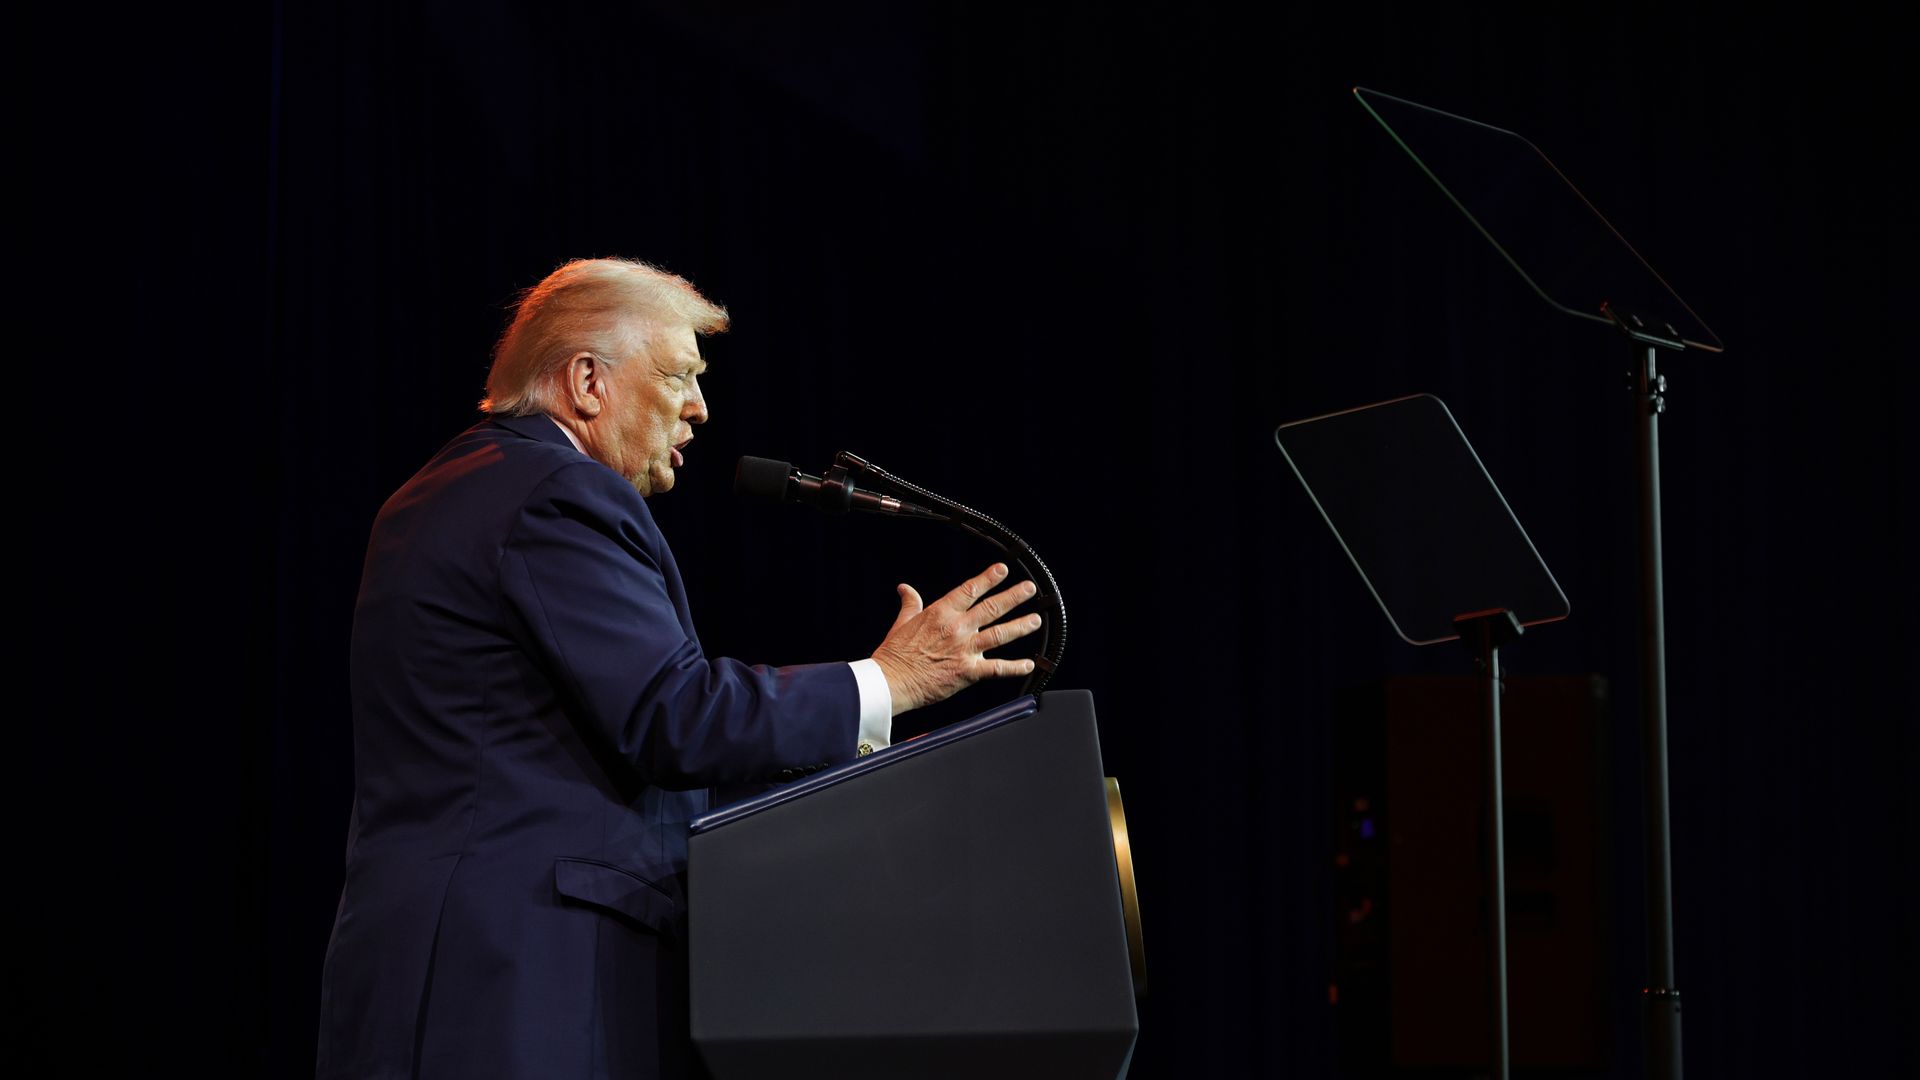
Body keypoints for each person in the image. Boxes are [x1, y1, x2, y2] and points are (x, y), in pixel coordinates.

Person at [315, 257, 1042, 1080]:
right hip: (519, 976)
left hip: (442, 967)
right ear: (588, 381)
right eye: (679, 377)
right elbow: (674, 715)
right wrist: (890, 681)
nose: (700, 408)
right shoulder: (555, 490)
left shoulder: (452, 487)